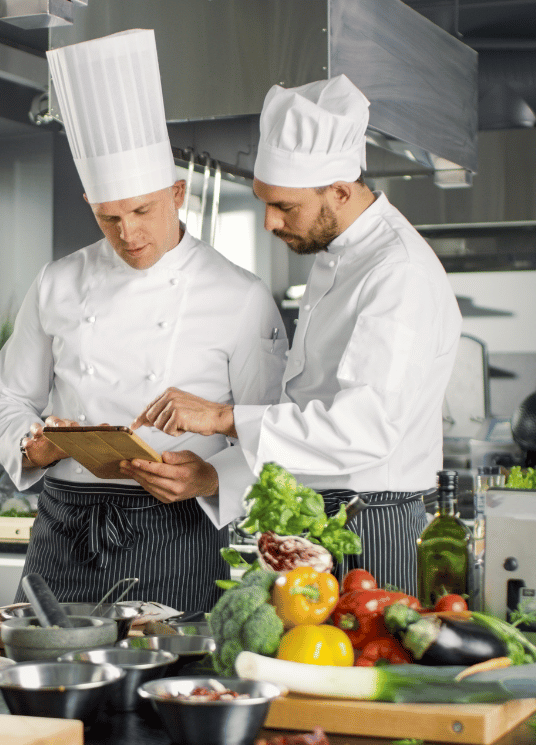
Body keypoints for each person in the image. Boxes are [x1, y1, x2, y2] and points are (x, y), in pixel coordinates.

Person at [0, 29, 287, 614]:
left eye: (142, 210)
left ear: (178, 192)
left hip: (178, 532)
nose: (129, 234)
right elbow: (2, 397)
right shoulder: (58, 282)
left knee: (167, 688)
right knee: (44, 688)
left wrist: (211, 479)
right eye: (108, 218)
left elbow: (272, 430)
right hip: (64, 528)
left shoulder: (239, 297)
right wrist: (32, 445)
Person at [128, 75, 463, 595]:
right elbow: (306, 404)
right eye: (265, 202)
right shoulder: (338, 255)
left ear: (340, 191)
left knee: (370, 671)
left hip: (369, 524)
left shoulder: (398, 271)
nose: (268, 222)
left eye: (285, 207)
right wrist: (219, 472)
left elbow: (365, 428)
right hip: (321, 513)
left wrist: (222, 417)